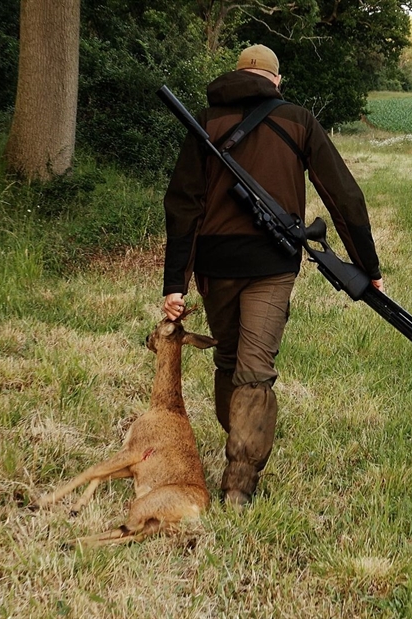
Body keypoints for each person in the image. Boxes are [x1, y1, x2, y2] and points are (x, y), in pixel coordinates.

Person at [161, 44, 383, 507]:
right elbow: (343, 194)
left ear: (237, 73)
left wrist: (175, 284)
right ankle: (239, 484)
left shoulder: (204, 120)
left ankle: (237, 465)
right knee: (253, 371)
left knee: (230, 361)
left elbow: (183, 206)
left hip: (214, 264)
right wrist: (368, 265)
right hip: (272, 265)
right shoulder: (298, 120)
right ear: (276, 80)